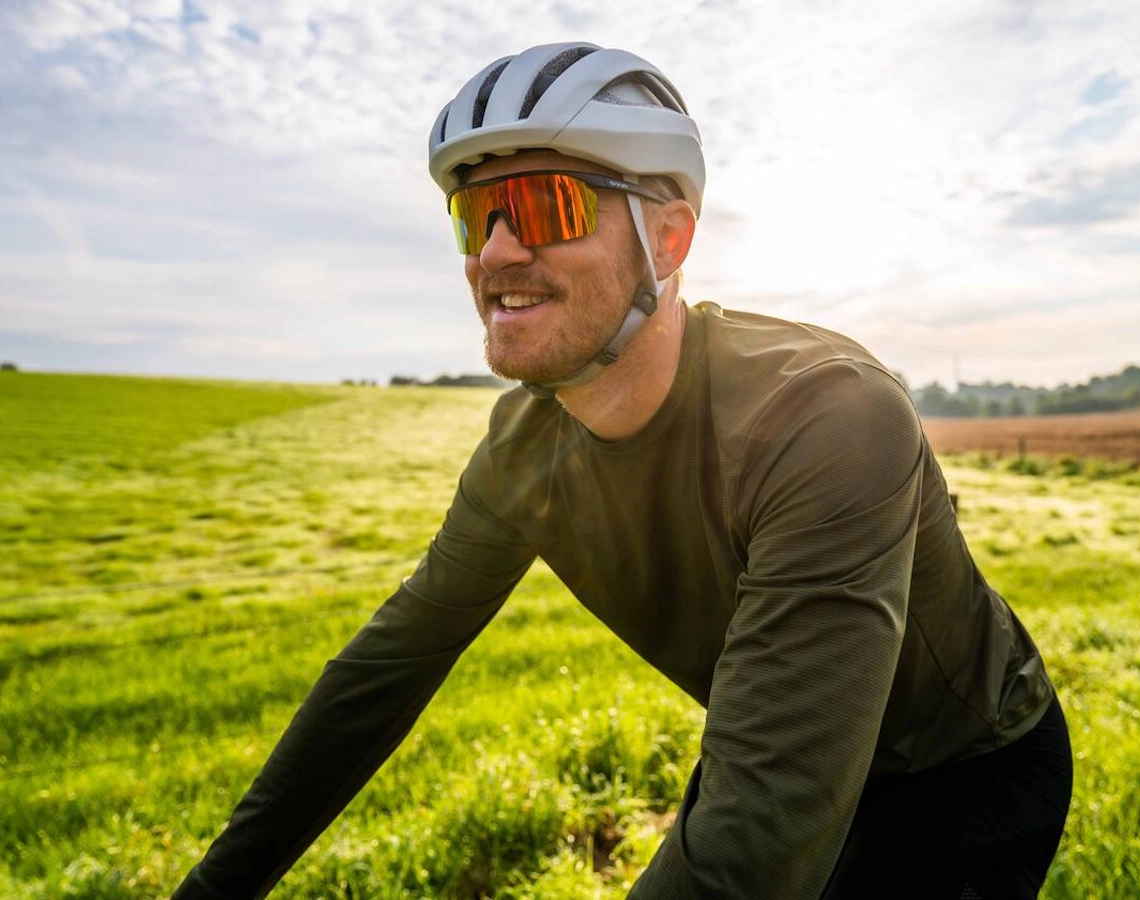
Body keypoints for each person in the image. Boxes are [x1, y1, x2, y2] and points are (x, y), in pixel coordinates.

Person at [174, 41, 1072, 899]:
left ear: (669, 242)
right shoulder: (520, 453)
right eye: (473, 215)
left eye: (543, 208)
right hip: (773, 742)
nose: (493, 253)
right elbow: (377, 680)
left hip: (961, 766)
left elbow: (755, 845)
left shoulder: (827, 418)